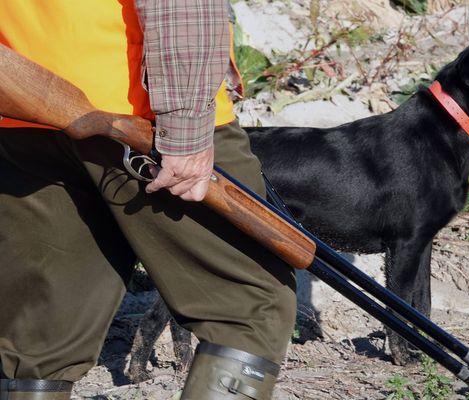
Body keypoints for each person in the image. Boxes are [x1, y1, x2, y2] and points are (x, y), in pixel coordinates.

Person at [0, 1, 296, 399]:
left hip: (20, 105)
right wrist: (186, 124)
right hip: (136, 113)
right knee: (250, 303)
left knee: (41, 334)